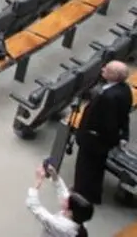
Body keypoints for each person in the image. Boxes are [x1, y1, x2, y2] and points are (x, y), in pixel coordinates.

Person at [72, 60, 133, 206]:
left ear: (114, 75)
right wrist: (123, 135)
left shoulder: (109, 97)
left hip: (94, 138)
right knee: (96, 168)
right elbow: (124, 116)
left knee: (85, 168)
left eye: (107, 69)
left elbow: (108, 124)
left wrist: (95, 135)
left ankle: (81, 195)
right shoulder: (125, 89)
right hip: (101, 139)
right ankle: (92, 194)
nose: (103, 69)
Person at [30, 161, 94, 237]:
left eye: (66, 202)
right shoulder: (80, 217)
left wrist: (37, 182)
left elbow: (35, 207)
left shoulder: (60, 226)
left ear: (70, 212)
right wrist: (54, 175)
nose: (65, 198)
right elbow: (63, 192)